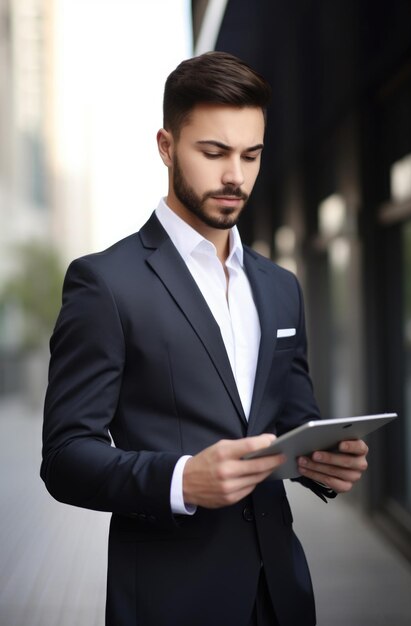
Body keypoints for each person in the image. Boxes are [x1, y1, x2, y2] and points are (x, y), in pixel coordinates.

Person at [41, 51, 369, 626]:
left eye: (251, 154)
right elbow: (65, 457)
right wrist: (179, 479)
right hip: (171, 600)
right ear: (167, 147)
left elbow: (291, 423)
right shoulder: (106, 283)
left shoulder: (280, 286)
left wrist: (323, 461)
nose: (235, 176)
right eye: (214, 153)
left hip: (282, 593)